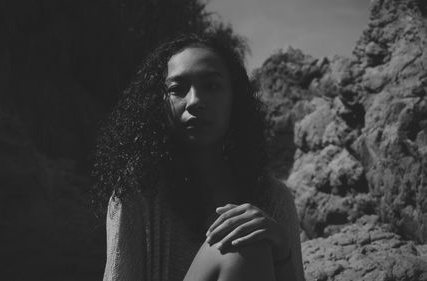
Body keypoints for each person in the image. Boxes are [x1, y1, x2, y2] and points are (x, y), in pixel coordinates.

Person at [93, 33, 305, 281]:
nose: (194, 101)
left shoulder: (273, 198)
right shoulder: (136, 195)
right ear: (158, 103)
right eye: (177, 89)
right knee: (241, 244)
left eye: (212, 86)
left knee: (249, 235)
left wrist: (281, 249)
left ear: (234, 100)